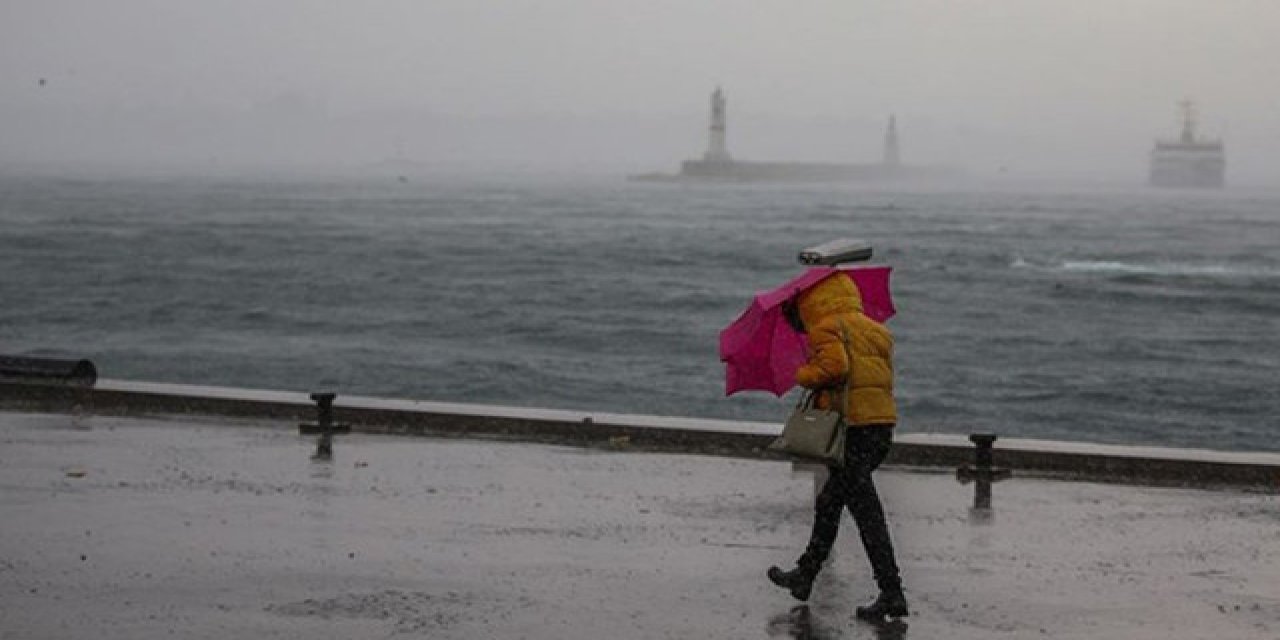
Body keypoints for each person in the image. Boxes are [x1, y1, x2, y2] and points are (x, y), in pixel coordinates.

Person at [768, 271, 908, 621]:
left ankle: (892, 593)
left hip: (851, 432)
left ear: (813, 302)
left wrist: (803, 374)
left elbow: (835, 367)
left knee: (867, 515)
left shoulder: (827, 327)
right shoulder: (875, 329)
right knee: (830, 503)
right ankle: (805, 574)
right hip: (879, 428)